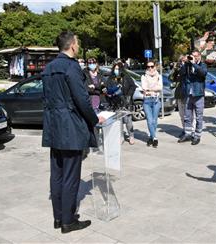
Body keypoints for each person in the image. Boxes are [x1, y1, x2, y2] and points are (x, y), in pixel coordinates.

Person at [42, 31, 105, 233]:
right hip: (70, 128)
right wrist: (95, 119)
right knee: (71, 175)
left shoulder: (49, 68)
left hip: (54, 126)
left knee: (57, 174)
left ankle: (58, 218)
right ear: (72, 46)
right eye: (77, 43)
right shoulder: (71, 67)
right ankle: (68, 221)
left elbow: (47, 98)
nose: (78, 46)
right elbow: (82, 100)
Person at [177, 50, 207, 145]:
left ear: (199, 56)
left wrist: (194, 64)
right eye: (191, 56)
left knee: (199, 117)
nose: (192, 58)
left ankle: (197, 136)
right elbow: (181, 73)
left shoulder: (202, 65)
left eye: (195, 56)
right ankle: (188, 134)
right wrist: (185, 63)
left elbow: (203, 73)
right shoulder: (187, 65)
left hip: (198, 95)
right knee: (187, 116)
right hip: (188, 94)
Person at [107, 61, 137, 145]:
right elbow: (108, 88)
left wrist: (129, 95)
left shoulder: (126, 77)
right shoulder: (111, 78)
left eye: (118, 69)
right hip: (116, 102)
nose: (117, 70)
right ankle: (121, 136)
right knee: (118, 121)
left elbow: (133, 86)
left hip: (126, 101)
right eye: (116, 69)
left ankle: (131, 135)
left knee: (128, 120)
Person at [141, 60, 163, 148]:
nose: (150, 68)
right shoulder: (144, 76)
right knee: (150, 121)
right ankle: (155, 138)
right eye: (148, 67)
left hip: (156, 100)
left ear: (155, 66)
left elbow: (160, 87)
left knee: (154, 121)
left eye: (152, 66)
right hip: (147, 101)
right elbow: (144, 87)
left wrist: (150, 89)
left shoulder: (159, 76)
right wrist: (153, 89)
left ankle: (151, 137)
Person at [169, 55, 188, 137]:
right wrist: (174, 69)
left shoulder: (189, 68)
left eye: (185, 60)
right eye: (182, 61)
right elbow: (170, 78)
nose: (183, 62)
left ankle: (191, 131)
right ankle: (184, 130)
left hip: (188, 94)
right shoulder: (177, 69)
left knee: (189, 114)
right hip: (179, 93)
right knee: (181, 114)